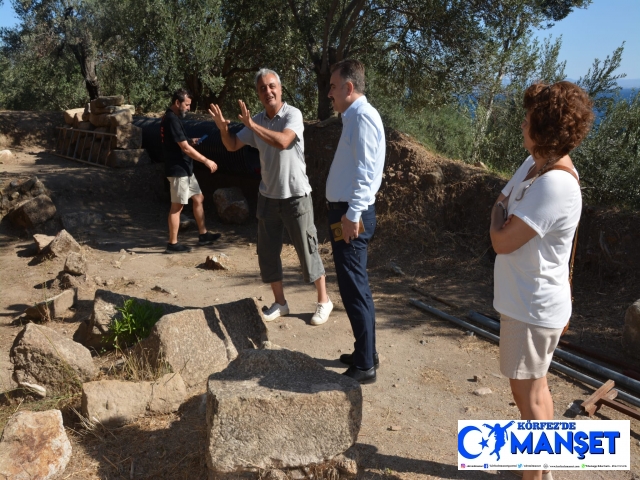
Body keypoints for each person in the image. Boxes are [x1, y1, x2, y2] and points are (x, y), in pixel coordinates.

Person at [490, 81, 594, 480]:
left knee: (527, 394)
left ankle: (533, 475)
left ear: (544, 128)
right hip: (526, 302)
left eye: (529, 118)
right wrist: (501, 213)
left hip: (531, 308)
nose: (522, 123)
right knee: (536, 388)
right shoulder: (535, 164)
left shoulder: (554, 183)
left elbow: (502, 239)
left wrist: (499, 217)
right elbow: (501, 200)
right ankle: (542, 469)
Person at [208, 69, 333, 325]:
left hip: (296, 195)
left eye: (271, 86)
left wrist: (252, 125)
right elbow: (232, 145)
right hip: (268, 196)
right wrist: (223, 129)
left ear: (280, 88)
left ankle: (324, 301)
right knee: (267, 253)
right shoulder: (256, 120)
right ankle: (281, 303)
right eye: (263, 88)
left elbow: (284, 141)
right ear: (258, 94)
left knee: (307, 250)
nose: (268, 91)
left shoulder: (292, 115)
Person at [326, 59, 385, 384]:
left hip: (352, 213)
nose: (330, 93)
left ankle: (365, 365)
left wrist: (351, 215)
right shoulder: (355, 118)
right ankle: (367, 352)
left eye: (334, 86)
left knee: (354, 289)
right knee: (355, 287)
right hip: (348, 212)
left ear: (349, 87)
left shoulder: (362, 118)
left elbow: (365, 174)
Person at [161, 88, 221, 254]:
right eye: (186, 105)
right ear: (177, 102)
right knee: (177, 207)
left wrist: (190, 140)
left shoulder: (174, 118)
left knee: (198, 198)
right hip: (178, 169)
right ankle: (172, 244)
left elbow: (180, 141)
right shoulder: (171, 119)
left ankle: (203, 235)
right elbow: (185, 149)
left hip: (186, 168)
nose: (188, 108)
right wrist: (206, 160)